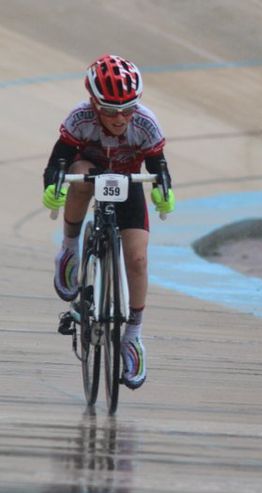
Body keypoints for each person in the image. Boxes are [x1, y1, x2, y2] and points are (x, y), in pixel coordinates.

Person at [42, 54, 175, 390]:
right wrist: (53, 187)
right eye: (111, 111)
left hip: (127, 183)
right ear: (93, 103)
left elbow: (159, 168)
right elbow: (57, 161)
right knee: (77, 173)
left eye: (128, 109)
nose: (121, 118)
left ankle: (133, 336)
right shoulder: (79, 118)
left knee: (138, 259)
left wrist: (163, 191)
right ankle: (70, 248)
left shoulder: (146, 123)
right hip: (90, 172)